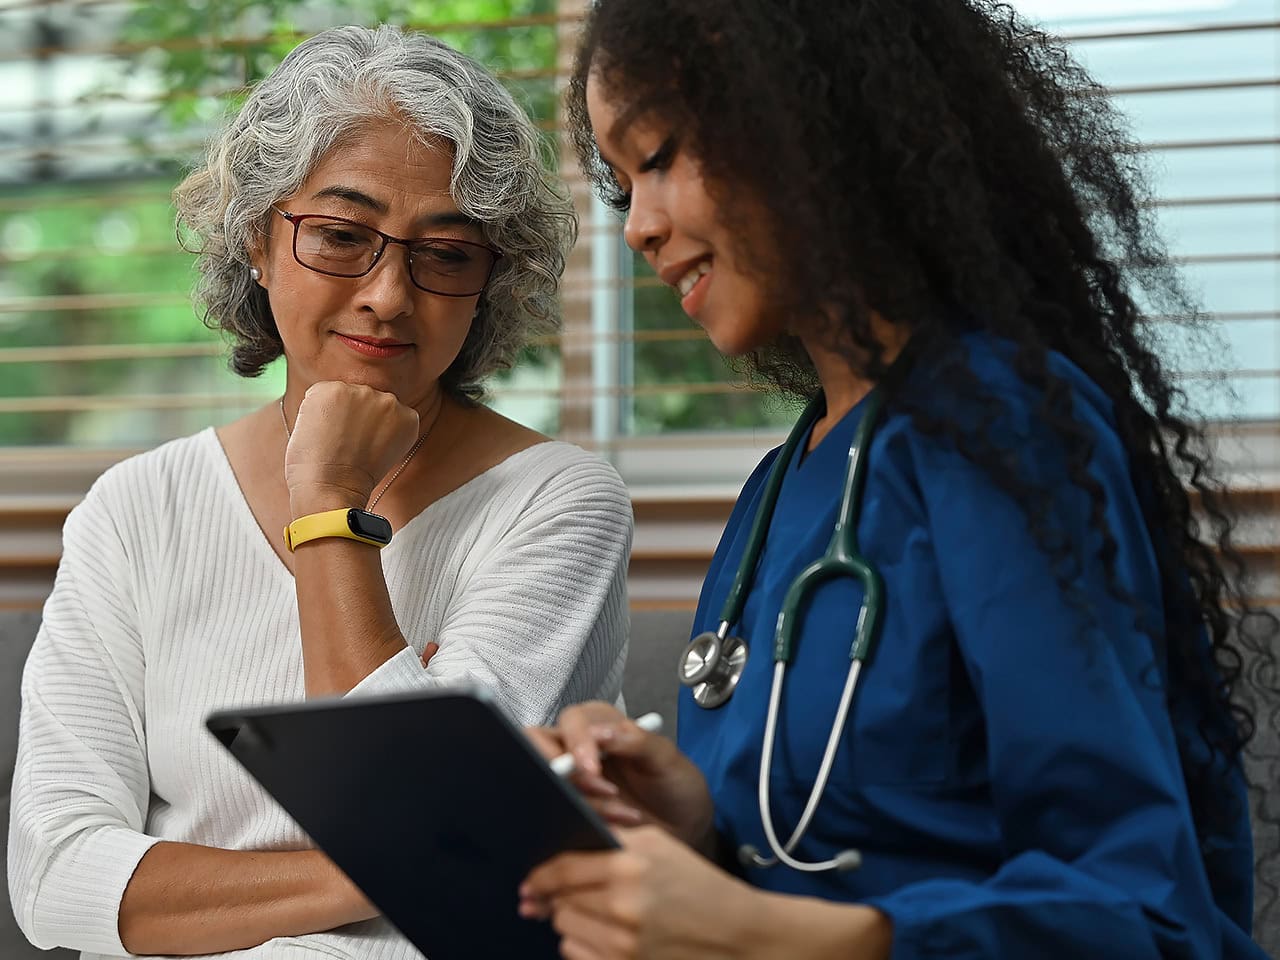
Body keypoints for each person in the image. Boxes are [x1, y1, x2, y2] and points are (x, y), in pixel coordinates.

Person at [520, 2, 1278, 957]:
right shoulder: (779, 492)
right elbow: (819, 854)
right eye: (622, 184)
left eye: (660, 154)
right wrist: (695, 829)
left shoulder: (991, 425)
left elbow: (1143, 910)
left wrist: (767, 934)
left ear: (804, 116)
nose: (637, 226)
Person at [9, 24, 632, 960]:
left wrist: (329, 502)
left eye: (447, 255)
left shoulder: (559, 502)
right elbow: (57, 881)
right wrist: (391, 860)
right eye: (341, 236)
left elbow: (423, 821)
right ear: (258, 241)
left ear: (486, 289)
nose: (388, 292)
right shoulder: (134, 512)